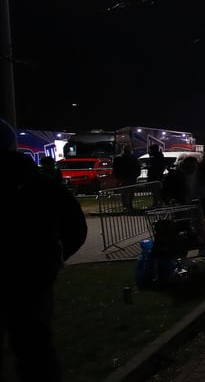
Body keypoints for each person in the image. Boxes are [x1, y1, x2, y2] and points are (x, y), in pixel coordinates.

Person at [1, 119, 88, 381]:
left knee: (33, 347)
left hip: (30, 276)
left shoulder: (36, 184)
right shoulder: (40, 184)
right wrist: (54, 259)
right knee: (35, 349)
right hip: (33, 277)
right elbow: (76, 227)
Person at [112, 146, 141, 211]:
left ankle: (127, 206)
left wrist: (117, 177)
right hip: (129, 177)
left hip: (125, 177)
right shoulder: (132, 158)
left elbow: (115, 168)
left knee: (125, 192)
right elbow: (137, 167)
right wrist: (136, 174)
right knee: (128, 192)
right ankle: (128, 205)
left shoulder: (119, 158)